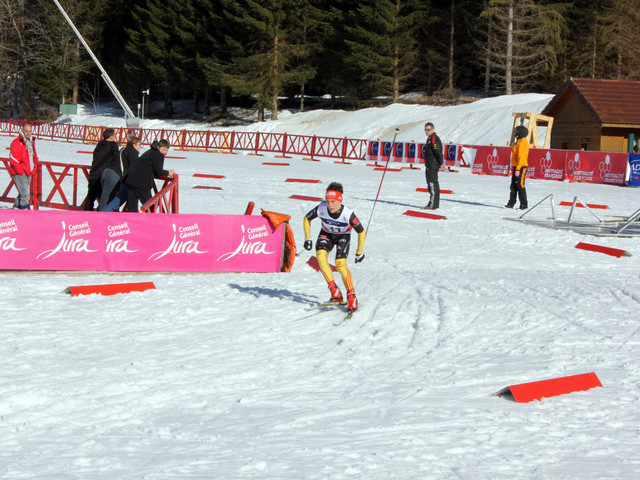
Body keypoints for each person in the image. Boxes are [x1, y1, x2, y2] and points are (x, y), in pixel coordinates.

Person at [303, 182, 366, 314]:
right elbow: (306, 219)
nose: (329, 205)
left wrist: (359, 252)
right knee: (320, 258)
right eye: (327, 201)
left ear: (339, 200)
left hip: (343, 236)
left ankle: (351, 296)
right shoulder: (321, 208)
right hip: (326, 234)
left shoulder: (348, 214)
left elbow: (361, 231)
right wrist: (307, 238)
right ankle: (334, 291)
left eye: (332, 202)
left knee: (340, 264)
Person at [125, 139, 175, 212]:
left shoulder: (149, 152)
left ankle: (131, 221)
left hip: (131, 180)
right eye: (163, 149)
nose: (165, 152)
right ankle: (149, 222)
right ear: (158, 147)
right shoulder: (158, 155)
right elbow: (158, 171)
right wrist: (168, 173)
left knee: (132, 208)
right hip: (141, 183)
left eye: (166, 150)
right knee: (150, 207)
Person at [102, 135, 141, 212]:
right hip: (127, 179)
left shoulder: (123, 149)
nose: (140, 147)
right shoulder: (133, 152)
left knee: (113, 199)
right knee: (117, 201)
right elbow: (134, 167)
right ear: (134, 145)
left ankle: (103, 213)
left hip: (119, 176)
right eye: (139, 145)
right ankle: (103, 214)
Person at [84, 128, 119, 211]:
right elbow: (116, 159)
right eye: (114, 135)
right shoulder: (113, 145)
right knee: (105, 200)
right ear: (111, 137)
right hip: (102, 175)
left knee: (90, 198)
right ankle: (102, 217)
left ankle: (86, 216)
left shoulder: (99, 144)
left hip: (93, 174)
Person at [9, 123, 38, 209]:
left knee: (22, 193)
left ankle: (15, 209)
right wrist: (21, 171)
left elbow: (33, 155)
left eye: (30, 131)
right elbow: (13, 159)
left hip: (28, 171)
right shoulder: (17, 142)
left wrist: (34, 166)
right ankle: (25, 211)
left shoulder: (30, 141)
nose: (28, 133)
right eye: (26, 131)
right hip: (19, 172)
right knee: (25, 194)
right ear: (22, 131)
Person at [505, 125, 529, 210]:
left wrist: (518, 169)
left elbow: (521, 157)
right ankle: (511, 203)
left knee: (520, 185)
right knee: (513, 185)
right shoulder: (518, 141)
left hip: (521, 166)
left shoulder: (522, 143)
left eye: (516, 131)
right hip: (516, 166)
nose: (515, 133)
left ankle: (524, 204)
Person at [421, 122, 444, 210]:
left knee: (432, 184)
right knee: (430, 184)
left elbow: (437, 152)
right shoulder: (430, 138)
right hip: (429, 164)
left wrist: (441, 163)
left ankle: (433, 204)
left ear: (433, 130)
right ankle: (432, 202)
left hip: (433, 164)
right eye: (425, 130)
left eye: (428, 130)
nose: (426, 131)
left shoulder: (434, 139)